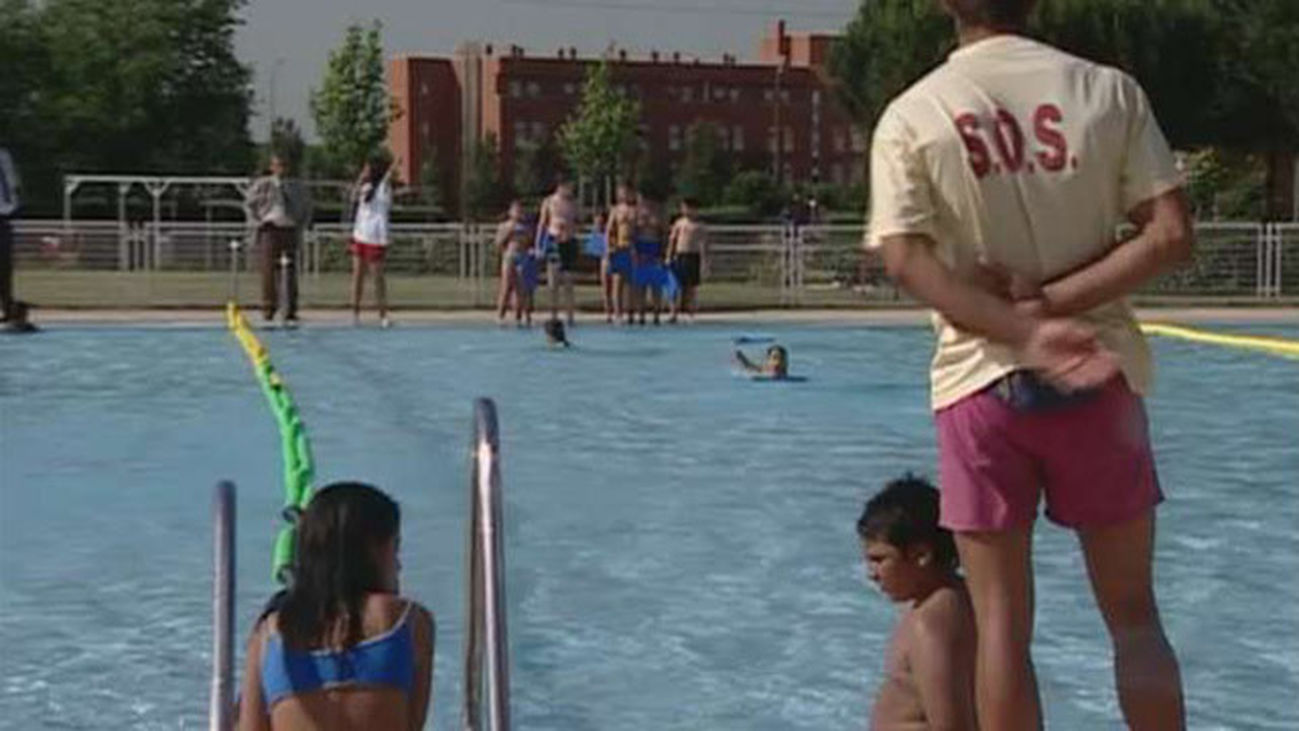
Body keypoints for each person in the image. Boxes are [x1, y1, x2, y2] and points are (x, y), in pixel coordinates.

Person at [867, 1, 1192, 729]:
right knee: (1134, 617)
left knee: (1002, 629)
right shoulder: (1107, 91)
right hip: (1096, 374)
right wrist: (1052, 306)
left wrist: (1017, 324)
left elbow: (902, 258)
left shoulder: (915, 112)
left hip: (978, 382)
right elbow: (1168, 233)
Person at [237, 482, 434, 731]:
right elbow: (411, 724)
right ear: (374, 550)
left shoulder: (269, 635)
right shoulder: (408, 622)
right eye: (395, 548)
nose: (398, 566)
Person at [860, 476, 977, 731]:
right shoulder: (962, 599)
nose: (871, 573)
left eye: (880, 559)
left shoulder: (930, 625)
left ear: (921, 555)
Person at [245, 154, 312, 326]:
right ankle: (268, 308)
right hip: (270, 229)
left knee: (289, 270)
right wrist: (258, 222)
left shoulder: (297, 186)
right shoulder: (263, 184)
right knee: (268, 270)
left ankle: (290, 309)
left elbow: (306, 207)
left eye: (284, 165)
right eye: (277, 165)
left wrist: (301, 225)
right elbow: (249, 204)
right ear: (272, 167)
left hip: (289, 229)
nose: (281, 168)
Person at [349, 155, 399, 328]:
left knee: (378, 279)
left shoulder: (384, 188)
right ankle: (355, 312)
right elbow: (353, 197)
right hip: (360, 235)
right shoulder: (365, 187)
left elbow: (388, 178)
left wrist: (390, 171)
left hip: (375, 238)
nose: (365, 171)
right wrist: (360, 179)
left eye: (368, 168)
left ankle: (383, 315)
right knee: (357, 277)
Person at [534, 175, 580, 326]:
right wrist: (539, 245)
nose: (570, 189)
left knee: (568, 280)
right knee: (553, 280)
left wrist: (570, 231)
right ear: (560, 186)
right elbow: (542, 223)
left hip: (569, 241)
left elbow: (577, 222)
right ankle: (553, 314)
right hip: (554, 240)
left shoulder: (573, 203)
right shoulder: (549, 202)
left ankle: (570, 315)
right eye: (568, 186)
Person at [495, 201, 535, 327]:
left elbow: (530, 242)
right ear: (510, 212)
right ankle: (500, 315)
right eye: (516, 211)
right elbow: (498, 243)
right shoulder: (505, 226)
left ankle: (519, 316)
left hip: (522, 256)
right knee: (506, 286)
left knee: (521, 288)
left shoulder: (526, 227)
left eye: (520, 211)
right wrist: (509, 232)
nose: (519, 213)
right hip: (509, 256)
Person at [667, 197, 707, 323]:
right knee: (675, 284)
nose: (687, 210)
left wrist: (705, 261)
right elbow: (672, 240)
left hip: (693, 256)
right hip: (680, 255)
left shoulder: (700, 226)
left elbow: (704, 244)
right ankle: (673, 312)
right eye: (684, 208)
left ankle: (691, 312)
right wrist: (668, 256)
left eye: (690, 208)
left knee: (691, 287)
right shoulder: (679, 223)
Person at [605, 184, 638, 325]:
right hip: (619, 247)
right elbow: (609, 230)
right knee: (617, 282)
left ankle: (631, 312)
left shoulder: (636, 211)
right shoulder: (616, 211)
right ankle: (618, 313)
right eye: (621, 192)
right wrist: (609, 247)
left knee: (632, 283)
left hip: (632, 249)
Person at [631, 194, 666, 326]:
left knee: (656, 286)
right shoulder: (636, 215)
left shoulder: (659, 214)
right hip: (641, 249)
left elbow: (663, 234)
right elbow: (631, 234)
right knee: (641, 286)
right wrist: (635, 252)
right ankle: (641, 314)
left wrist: (662, 254)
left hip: (654, 248)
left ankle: (657, 313)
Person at [0, 147, 20, 324]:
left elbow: (11, 186)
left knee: (4, 268)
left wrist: (11, 208)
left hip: (2, 217)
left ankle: (7, 308)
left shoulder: (3, 155)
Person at [586, 212, 613, 323]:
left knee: (614, 288)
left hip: (612, 260)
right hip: (605, 261)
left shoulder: (611, 233)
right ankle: (608, 312)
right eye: (596, 223)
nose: (598, 225)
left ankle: (615, 311)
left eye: (600, 223)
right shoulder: (596, 236)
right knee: (606, 289)